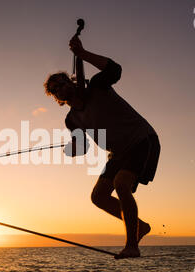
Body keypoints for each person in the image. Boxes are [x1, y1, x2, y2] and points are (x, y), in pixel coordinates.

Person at [44, 35, 161, 258]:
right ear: (56, 98)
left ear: (71, 82)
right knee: (98, 196)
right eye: (55, 89)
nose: (60, 88)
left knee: (121, 184)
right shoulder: (71, 120)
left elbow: (116, 70)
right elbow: (83, 148)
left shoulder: (97, 86)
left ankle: (132, 245)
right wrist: (72, 150)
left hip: (142, 139)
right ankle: (140, 227)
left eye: (62, 83)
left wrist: (83, 54)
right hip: (118, 153)